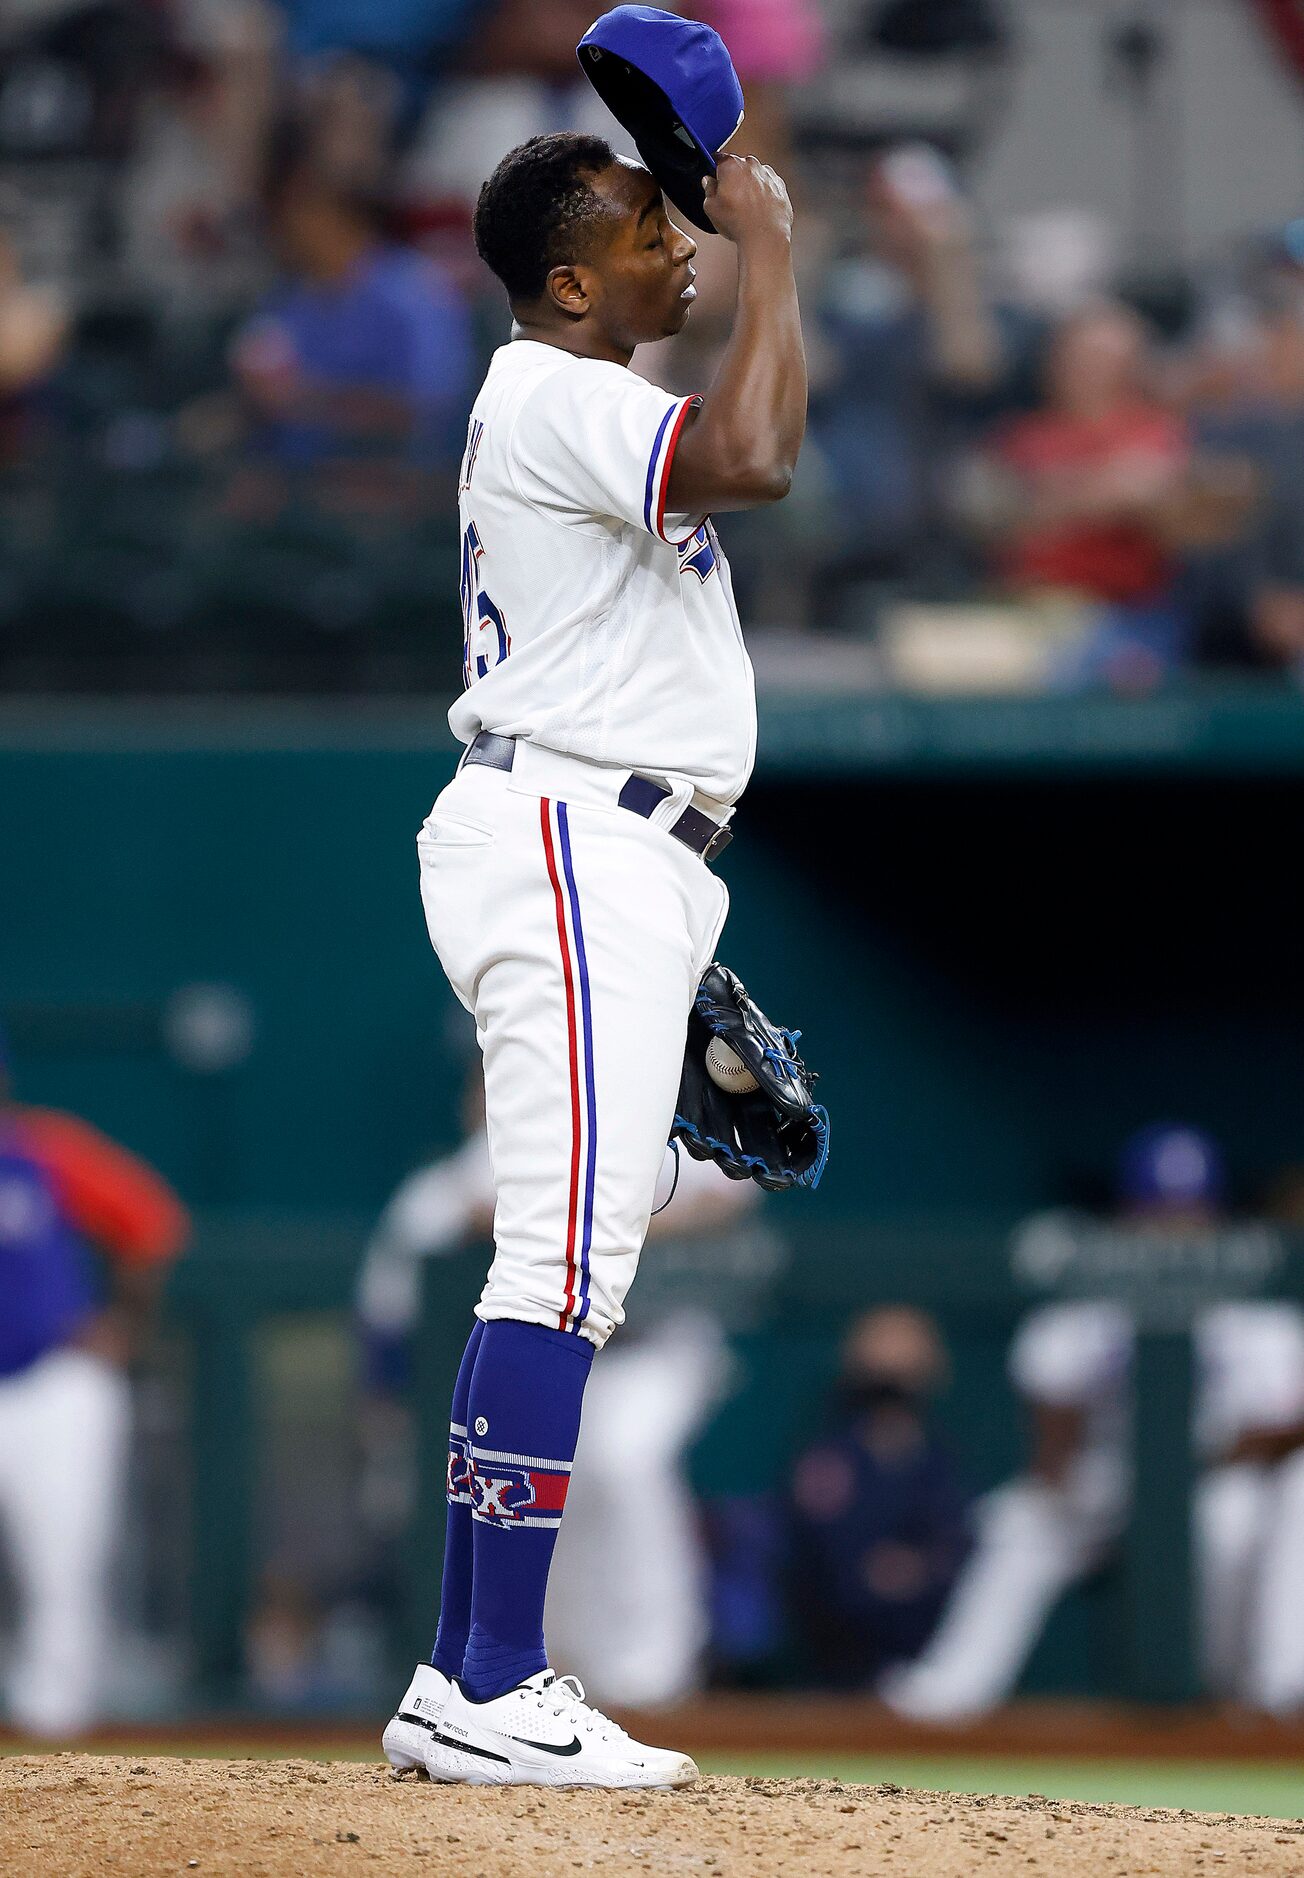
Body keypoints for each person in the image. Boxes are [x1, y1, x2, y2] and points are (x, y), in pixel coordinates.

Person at [378, 114, 805, 1790]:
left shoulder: (574, 396)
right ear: (566, 281)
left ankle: (468, 1676)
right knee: (559, 1262)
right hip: (571, 829)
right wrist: (769, 242)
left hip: (608, 845)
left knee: (581, 1252)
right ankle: (481, 1675)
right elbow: (760, 452)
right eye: (642, 227)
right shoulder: (553, 387)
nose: (676, 241)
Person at [880, 1125, 1304, 1723]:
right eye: (1157, 1211)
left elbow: (1288, 1423)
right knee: (1021, 1521)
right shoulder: (1090, 1296)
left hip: (1216, 1473)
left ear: (1215, 1215)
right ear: (1128, 1213)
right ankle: (949, 1696)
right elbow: (1050, 1404)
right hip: (1109, 1468)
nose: (1173, 1228)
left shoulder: (1254, 1308)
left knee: (1226, 1525)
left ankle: (1233, 1700)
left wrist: (1197, 1465)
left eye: (1189, 1212)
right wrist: (1059, 1482)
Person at [357, 1102, 771, 1709]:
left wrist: (608, 1223)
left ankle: (659, 1670)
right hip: (569, 1353)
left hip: (659, 1343)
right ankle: (570, 1670)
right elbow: (449, 1217)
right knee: (551, 1482)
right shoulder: (520, 1124)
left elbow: (734, 1191)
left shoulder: (656, 1114)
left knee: (627, 1462)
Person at [0, 1024, 189, 1737]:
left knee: (64, 1560)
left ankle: (55, 1739)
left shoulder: (42, 1153)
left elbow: (151, 1221)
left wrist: (123, 1325)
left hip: (53, 1383)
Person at [230, 116, 474, 471]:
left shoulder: (416, 293)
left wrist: (305, 401)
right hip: (296, 483)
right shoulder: (287, 299)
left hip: (394, 481)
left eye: (296, 209)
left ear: (334, 213)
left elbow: (434, 411)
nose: (281, 225)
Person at [788, 1307, 971, 1689]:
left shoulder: (941, 1459)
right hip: (836, 1655)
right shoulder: (830, 1456)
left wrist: (922, 1568)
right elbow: (820, 1557)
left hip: (933, 1648)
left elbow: (958, 1544)